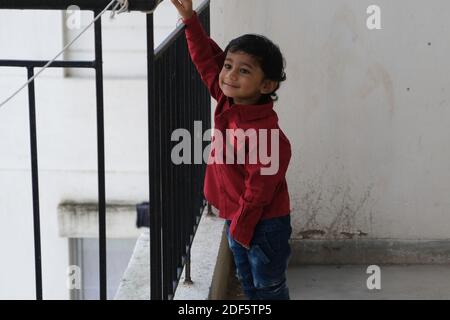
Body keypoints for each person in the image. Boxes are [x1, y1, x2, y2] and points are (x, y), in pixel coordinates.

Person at [170, 0, 292, 300]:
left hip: (263, 227)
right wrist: (189, 20)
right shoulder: (229, 101)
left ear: (266, 85)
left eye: (243, 71)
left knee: (268, 290)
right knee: (249, 285)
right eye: (228, 66)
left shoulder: (266, 135)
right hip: (237, 219)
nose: (229, 75)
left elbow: (259, 192)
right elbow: (205, 60)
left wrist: (240, 230)